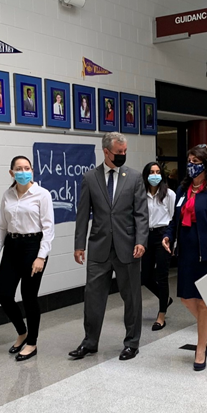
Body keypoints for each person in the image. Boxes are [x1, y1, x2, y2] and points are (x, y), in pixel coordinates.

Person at [71, 132, 148, 361]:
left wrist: (141, 241)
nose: (123, 155)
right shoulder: (90, 178)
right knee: (93, 296)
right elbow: (82, 214)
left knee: (132, 297)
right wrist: (79, 245)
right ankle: (89, 342)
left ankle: (131, 343)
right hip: (99, 247)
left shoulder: (134, 178)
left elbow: (141, 214)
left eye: (125, 151)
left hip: (128, 247)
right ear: (106, 152)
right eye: (119, 152)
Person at [163, 144, 207, 371]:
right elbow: (175, 219)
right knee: (186, 298)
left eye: (196, 161)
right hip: (187, 253)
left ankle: (201, 347)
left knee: (205, 302)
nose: (191, 165)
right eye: (189, 161)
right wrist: (168, 235)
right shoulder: (183, 190)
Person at [0, 156, 55, 362]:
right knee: (4, 295)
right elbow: (2, 226)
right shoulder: (7, 195)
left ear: (32, 171)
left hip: (33, 247)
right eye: (19, 168)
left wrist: (41, 257)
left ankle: (32, 342)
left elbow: (48, 229)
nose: (23, 171)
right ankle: (22, 331)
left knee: (29, 296)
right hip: (12, 246)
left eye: (27, 168)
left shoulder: (42, 194)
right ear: (11, 173)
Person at [141, 161, 175, 330]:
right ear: (146, 175)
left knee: (162, 276)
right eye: (151, 172)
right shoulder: (141, 194)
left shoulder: (169, 194)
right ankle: (166, 299)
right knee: (145, 276)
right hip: (147, 235)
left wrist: (172, 239)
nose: (155, 175)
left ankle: (161, 315)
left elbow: (174, 218)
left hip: (163, 235)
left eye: (157, 172)